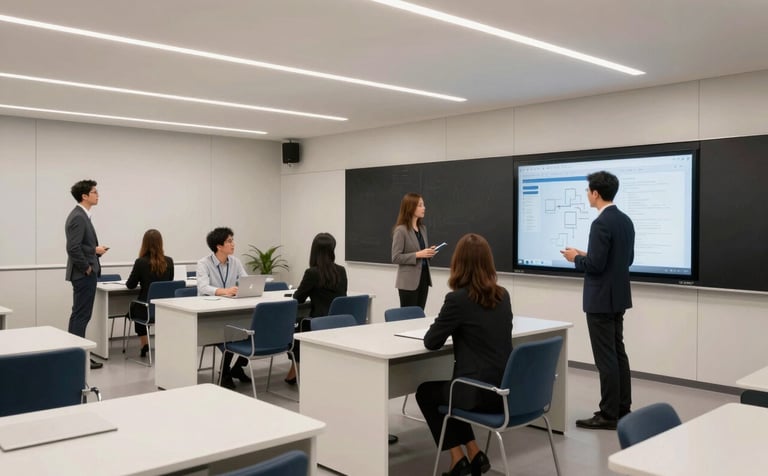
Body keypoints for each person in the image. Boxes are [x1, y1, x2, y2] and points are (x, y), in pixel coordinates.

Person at [416, 233, 513, 476]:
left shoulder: (458, 299)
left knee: (427, 393)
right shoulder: (503, 295)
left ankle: (457, 459)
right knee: (454, 392)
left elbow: (431, 341)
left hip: (476, 393)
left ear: (458, 264)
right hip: (503, 390)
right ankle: (474, 452)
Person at [561, 170, 635, 430]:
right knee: (618, 354)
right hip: (618, 297)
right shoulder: (625, 221)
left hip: (601, 299)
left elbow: (595, 265)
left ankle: (607, 414)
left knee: (605, 358)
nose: (587, 195)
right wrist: (587, 254)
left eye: (588, 191)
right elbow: (625, 260)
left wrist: (576, 258)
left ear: (596, 193)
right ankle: (622, 408)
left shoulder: (600, 223)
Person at [285, 232, 348, 384]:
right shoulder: (341, 270)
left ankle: (296, 365)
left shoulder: (312, 272)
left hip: (318, 323)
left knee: (292, 324)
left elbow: (297, 298)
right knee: (300, 322)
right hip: (340, 323)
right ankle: (297, 367)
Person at [197, 227, 251, 389]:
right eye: (229, 241)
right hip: (210, 312)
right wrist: (224, 291)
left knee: (252, 333)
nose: (233, 244)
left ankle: (236, 368)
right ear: (219, 246)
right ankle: (225, 372)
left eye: (232, 240)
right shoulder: (203, 263)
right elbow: (203, 287)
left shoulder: (235, 261)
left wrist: (245, 288)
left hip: (231, 308)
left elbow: (245, 281)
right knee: (232, 335)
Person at [65, 179, 109, 370]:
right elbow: (72, 248)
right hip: (83, 274)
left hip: (84, 273)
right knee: (81, 316)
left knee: (79, 316)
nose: (97, 195)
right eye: (94, 192)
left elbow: (80, 246)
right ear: (84, 196)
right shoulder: (78, 217)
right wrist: (87, 267)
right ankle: (78, 357)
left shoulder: (82, 216)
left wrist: (94, 250)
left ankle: (75, 355)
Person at [125, 229, 174, 358]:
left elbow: (130, 285)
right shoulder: (169, 261)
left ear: (144, 244)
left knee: (135, 309)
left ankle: (144, 344)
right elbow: (170, 282)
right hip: (164, 308)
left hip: (146, 309)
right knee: (140, 308)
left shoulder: (140, 262)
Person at [391, 192, 436, 309]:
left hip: (424, 278)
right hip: (408, 282)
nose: (424, 208)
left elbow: (422, 253)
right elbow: (396, 257)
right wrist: (418, 254)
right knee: (408, 317)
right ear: (411, 208)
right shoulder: (401, 230)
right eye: (420, 205)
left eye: (423, 205)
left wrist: (429, 252)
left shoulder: (422, 229)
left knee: (420, 315)